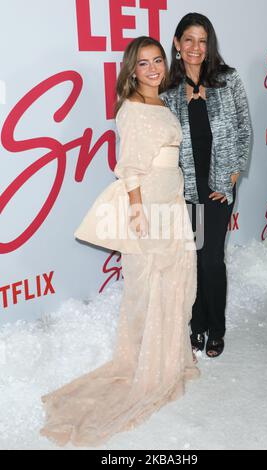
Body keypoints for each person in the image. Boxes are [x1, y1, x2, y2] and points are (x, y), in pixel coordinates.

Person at [39, 36, 200, 448]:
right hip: (148, 205)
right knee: (146, 285)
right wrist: (136, 210)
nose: (152, 69)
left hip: (173, 199)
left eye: (158, 61)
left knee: (178, 281)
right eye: (143, 63)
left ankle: (170, 358)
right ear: (131, 69)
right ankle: (144, 365)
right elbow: (128, 166)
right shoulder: (130, 109)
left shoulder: (163, 102)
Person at [161, 13, 251, 358]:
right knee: (193, 258)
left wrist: (233, 174)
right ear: (177, 44)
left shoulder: (228, 80)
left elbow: (245, 128)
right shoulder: (167, 90)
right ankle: (195, 325)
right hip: (186, 188)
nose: (196, 47)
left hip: (218, 186)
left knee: (212, 258)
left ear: (209, 44)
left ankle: (216, 328)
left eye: (202, 40)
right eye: (189, 40)